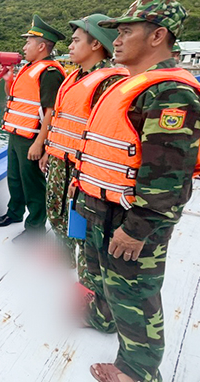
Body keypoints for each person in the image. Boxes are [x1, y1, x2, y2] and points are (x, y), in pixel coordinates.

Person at [73, 0, 200, 382]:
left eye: (126, 31)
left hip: (131, 217)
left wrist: (138, 227)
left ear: (158, 35)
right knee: (103, 277)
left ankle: (137, 371)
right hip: (100, 206)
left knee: (135, 294)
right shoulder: (133, 85)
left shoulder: (171, 94)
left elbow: (169, 175)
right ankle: (102, 317)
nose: (118, 40)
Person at [39, 14, 127, 287]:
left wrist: (83, 172)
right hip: (58, 159)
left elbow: (105, 133)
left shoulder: (108, 82)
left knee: (81, 223)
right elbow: (60, 119)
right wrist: (47, 151)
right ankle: (64, 254)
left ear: (96, 45)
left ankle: (86, 278)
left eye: (77, 41)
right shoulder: (73, 76)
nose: (70, 46)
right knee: (55, 212)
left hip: (81, 167)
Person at [0, 14, 66, 242]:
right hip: (16, 135)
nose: (24, 47)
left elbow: (50, 112)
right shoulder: (29, 68)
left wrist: (39, 143)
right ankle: (14, 213)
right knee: (14, 178)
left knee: (33, 183)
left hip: (32, 137)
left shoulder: (50, 72)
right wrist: (8, 82)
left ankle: (35, 227)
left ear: (42, 46)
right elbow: (14, 98)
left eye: (28, 43)